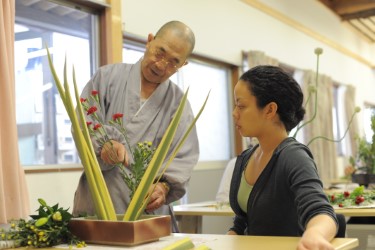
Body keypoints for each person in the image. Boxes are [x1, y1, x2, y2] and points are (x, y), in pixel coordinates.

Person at [72, 21, 199, 230]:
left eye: (173, 62)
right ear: (149, 41)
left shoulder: (179, 105)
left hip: (146, 214)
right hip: (98, 205)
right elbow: (83, 122)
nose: (160, 65)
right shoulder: (106, 78)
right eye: (160, 52)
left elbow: (184, 157)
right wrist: (103, 144)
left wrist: (163, 187)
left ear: (183, 65)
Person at [228, 65, 339, 249]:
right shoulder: (246, 158)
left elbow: (321, 211)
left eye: (241, 106)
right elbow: (243, 220)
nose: (234, 113)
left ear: (270, 110)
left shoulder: (293, 156)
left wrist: (314, 233)